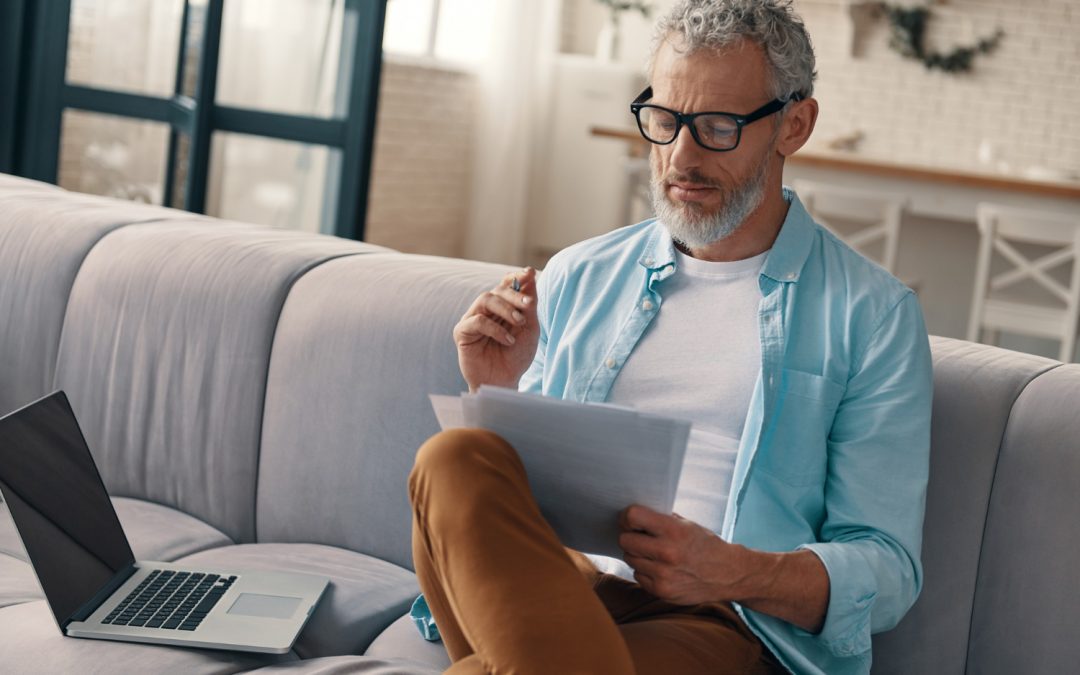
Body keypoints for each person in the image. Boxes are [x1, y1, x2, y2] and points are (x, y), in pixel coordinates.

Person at [408, 1, 932, 673]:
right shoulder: (579, 274)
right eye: (664, 120)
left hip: (719, 621)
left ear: (793, 125)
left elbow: (886, 568)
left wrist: (731, 570)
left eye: (716, 126)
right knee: (452, 458)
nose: (680, 156)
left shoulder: (873, 315)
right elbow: (526, 496)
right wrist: (499, 388)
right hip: (557, 582)